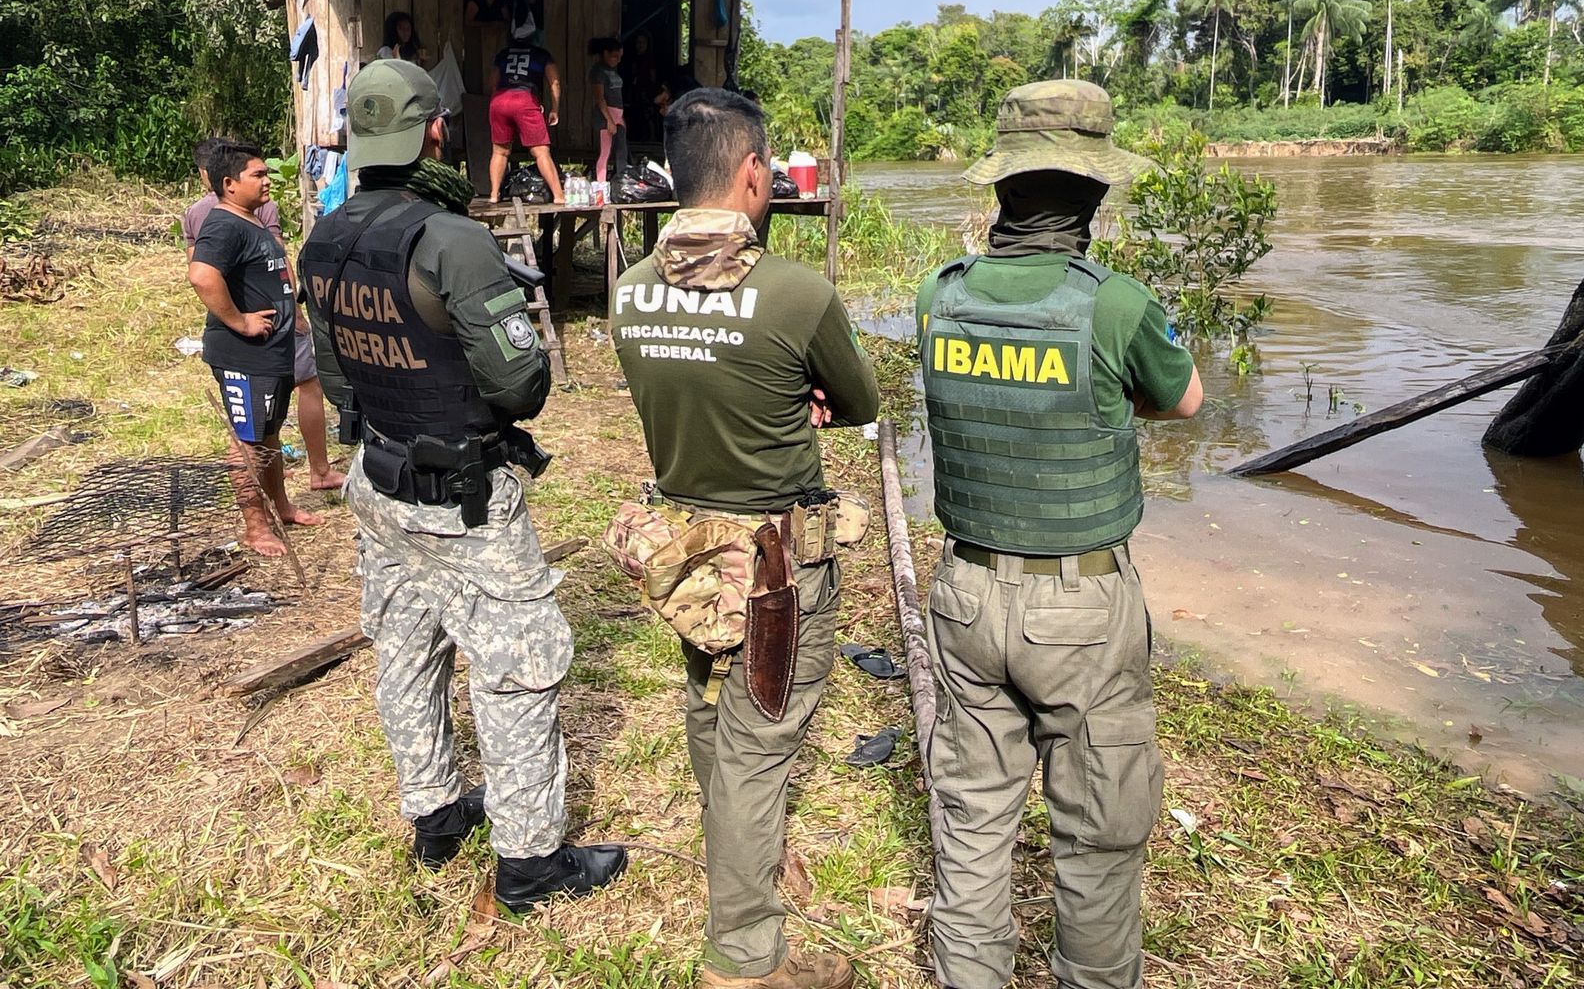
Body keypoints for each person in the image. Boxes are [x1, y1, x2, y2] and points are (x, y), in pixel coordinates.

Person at [299, 60, 625, 911]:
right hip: (464, 497)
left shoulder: (324, 238)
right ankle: (530, 864)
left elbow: (338, 384)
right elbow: (523, 388)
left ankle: (437, 815)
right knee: (516, 671)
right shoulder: (453, 241)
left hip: (380, 484)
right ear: (434, 131)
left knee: (408, 650)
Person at [914, 80, 1204, 989]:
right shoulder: (1116, 305)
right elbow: (1186, 401)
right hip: (1081, 605)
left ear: (1001, 190)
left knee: (973, 826)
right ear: (1095, 193)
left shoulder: (938, 294)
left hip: (963, 593)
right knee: (1099, 835)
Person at [610, 89, 879, 989]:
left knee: (709, 709)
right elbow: (863, 403)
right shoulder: (797, 293)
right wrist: (792, 391)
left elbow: (686, 392)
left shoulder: (630, 291)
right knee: (760, 743)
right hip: (773, 568)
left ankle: (740, 866)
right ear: (756, 173)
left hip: (684, 556)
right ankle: (745, 956)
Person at [186, 140, 325, 556]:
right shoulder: (223, 225)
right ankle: (254, 525)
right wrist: (239, 320)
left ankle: (280, 506)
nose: (268, 181)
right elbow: (201, 276)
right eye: (259, 175)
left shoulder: (249, 220)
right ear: (229, 184)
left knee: (268, 435)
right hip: (243, 356)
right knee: (247, 438)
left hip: (273, 351)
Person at [488, 27, 563, 205]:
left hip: (500, 99)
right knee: (541, 152)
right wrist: (554, 108)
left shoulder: (504, 54)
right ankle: (559, 195)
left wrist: (497, 102)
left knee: (500, 151)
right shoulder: (541, 54)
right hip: (525, 99)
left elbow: (492, 82)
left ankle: (493, 194)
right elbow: (555, 82)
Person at [587, 36, 628, 183]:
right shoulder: (598, 71)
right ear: (605, 54)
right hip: (605, 115)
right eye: (614, 56)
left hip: (618, 114)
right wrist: (609, 120)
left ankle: (623, 183)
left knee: (622, 151)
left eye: (619, 57)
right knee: (605, 153)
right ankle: (601, 186)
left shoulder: (613, 70)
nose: (618, 60)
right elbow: (600, 98)